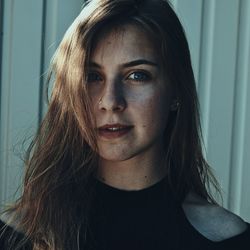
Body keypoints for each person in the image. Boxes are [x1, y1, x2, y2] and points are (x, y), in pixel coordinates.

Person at [0, 0, 249, 249]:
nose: (110, 101)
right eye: (92, 76)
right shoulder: (18, 235)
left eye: (137, 75)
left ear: (175, 92)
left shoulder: (228, 239)